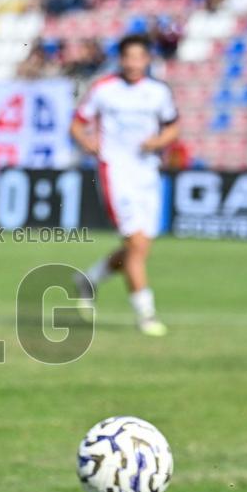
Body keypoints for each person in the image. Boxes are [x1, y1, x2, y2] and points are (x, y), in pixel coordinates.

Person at [70, 34, 180, 337]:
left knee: (140, 246)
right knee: (136, 244)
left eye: (138, 57)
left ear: (147, 60)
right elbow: (77, 123)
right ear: (121, 59)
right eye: (127, 57)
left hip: (148, 173)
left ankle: (88, 280)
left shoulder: (158, 92)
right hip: (116, 171)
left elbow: (174, 125)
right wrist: (87, 142)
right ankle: (146, 314)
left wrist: (158, 141)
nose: (133, 63)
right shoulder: (104, 89)